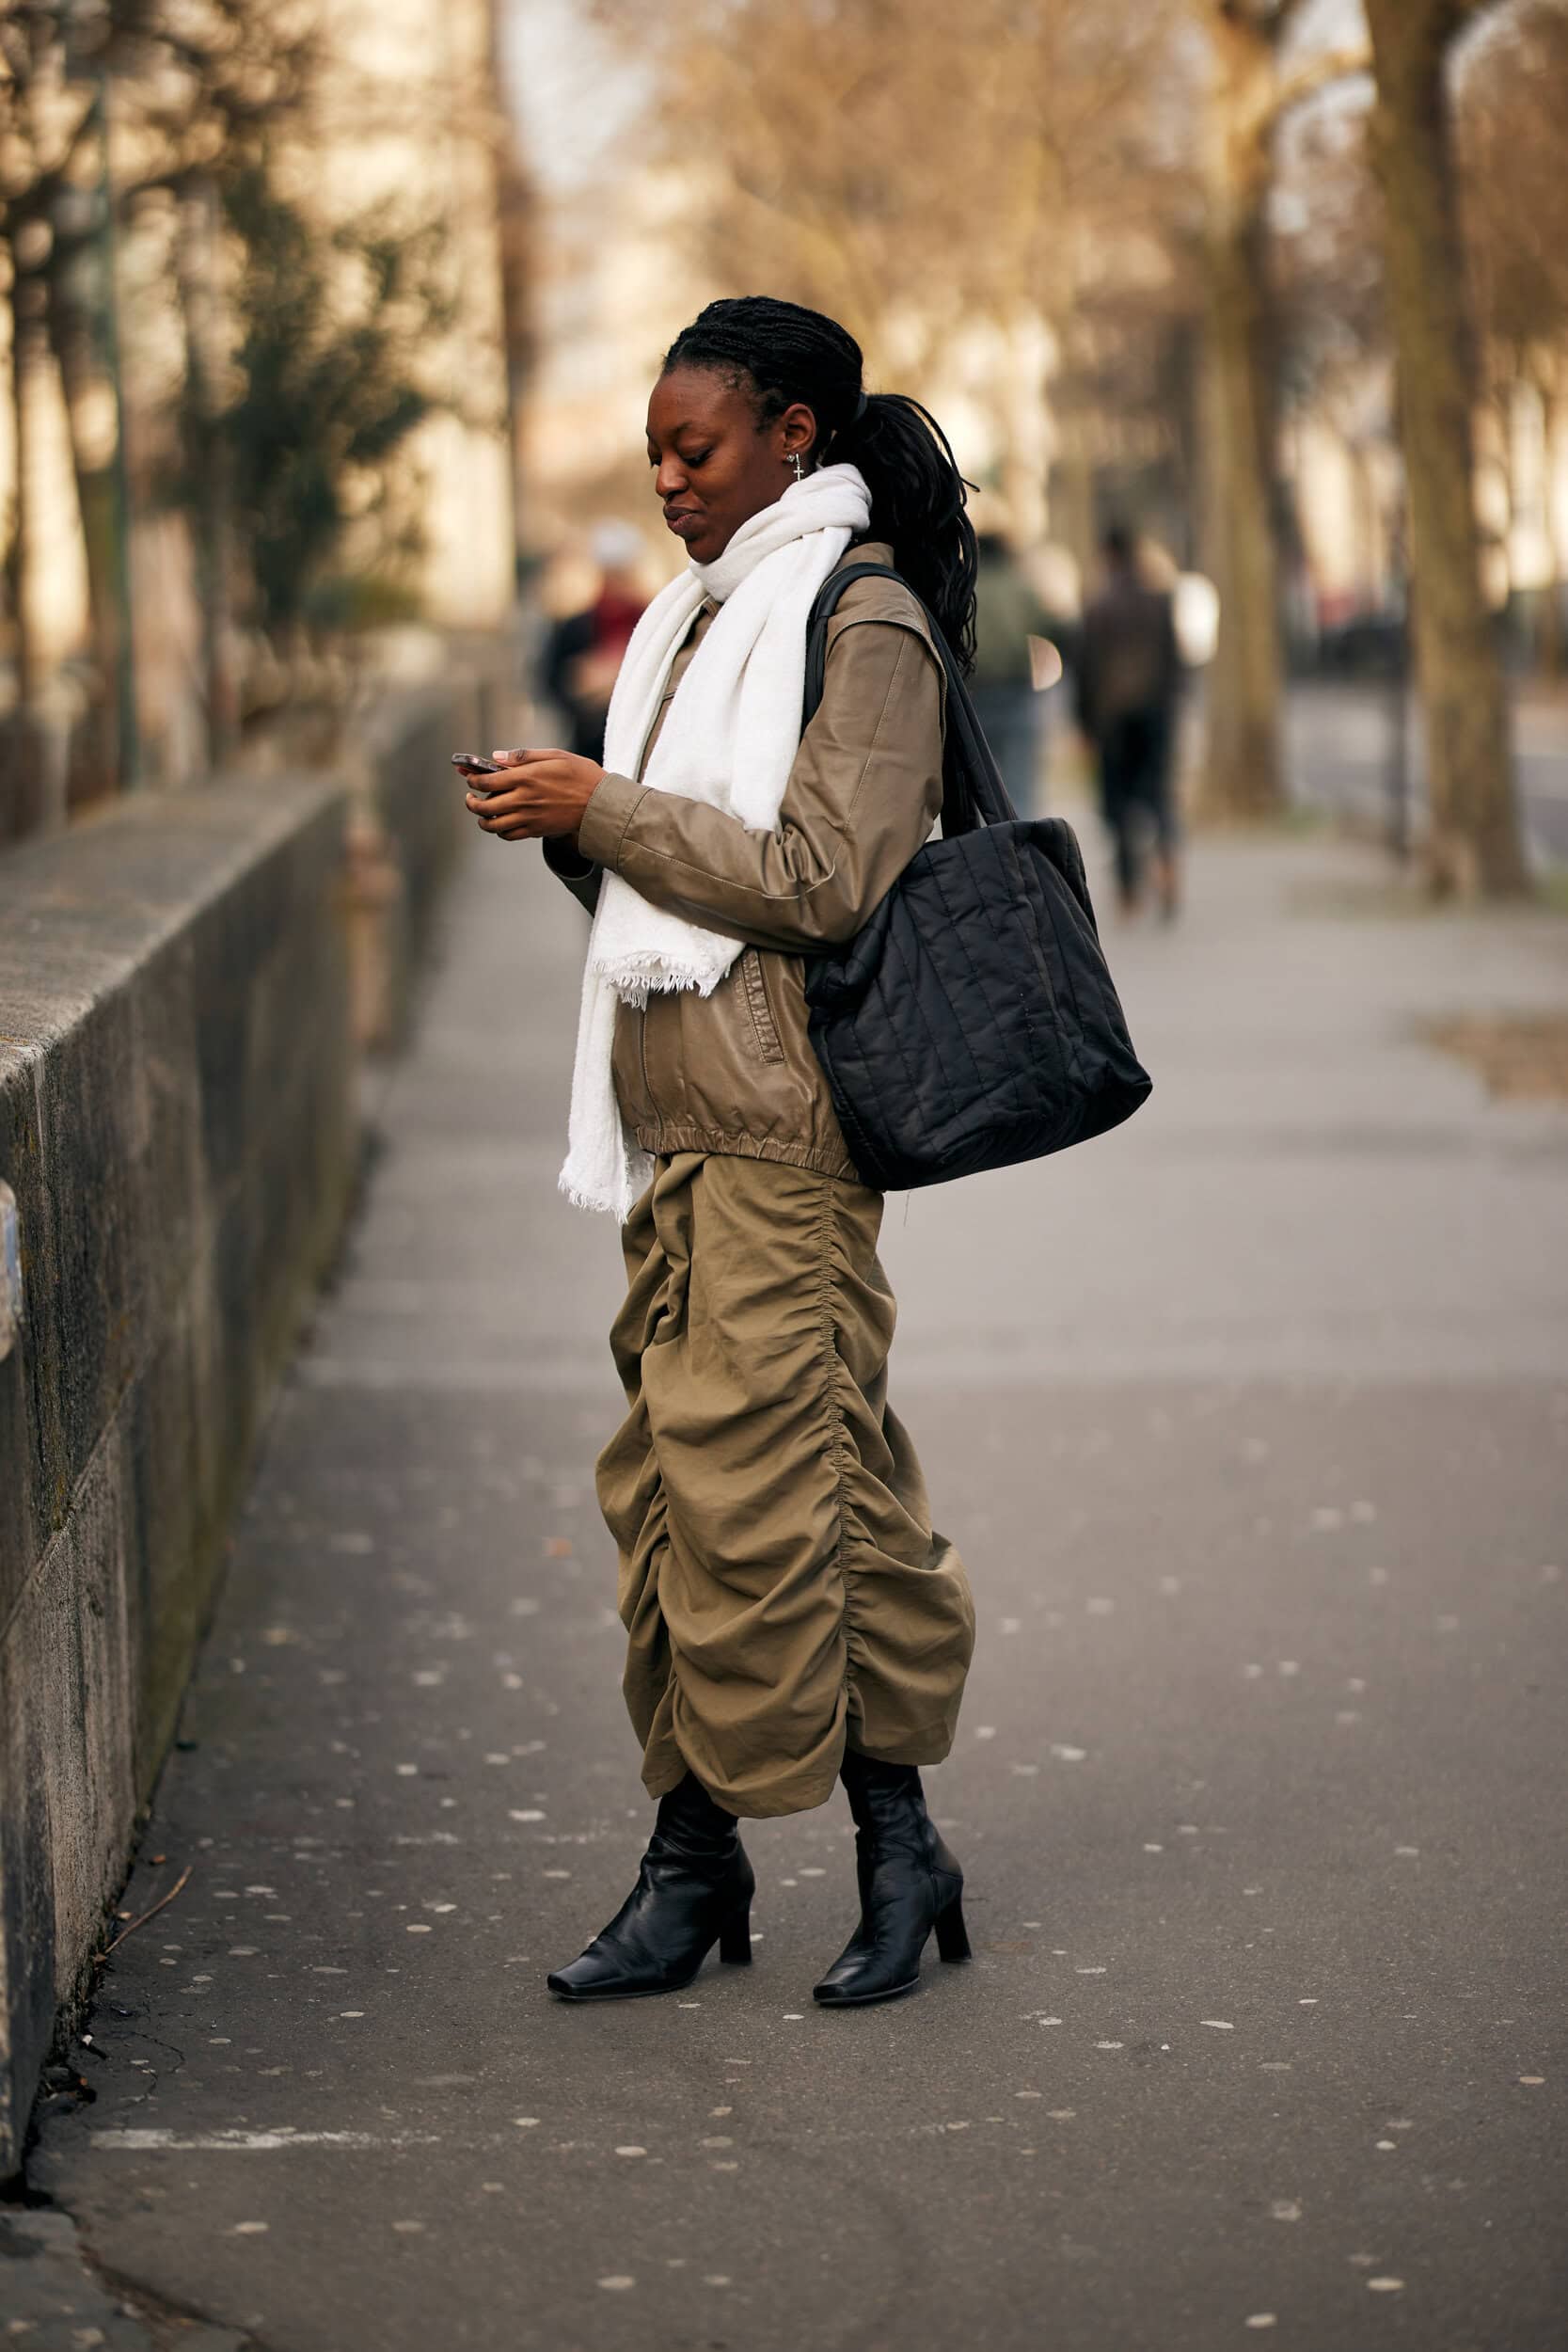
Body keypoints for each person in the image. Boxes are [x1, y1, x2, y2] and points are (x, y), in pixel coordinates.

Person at [458, 295, 977, 2009]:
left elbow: (823, 876)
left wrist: (598, 812)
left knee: (798, 1502)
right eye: (657, 454)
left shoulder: (862, 619)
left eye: (699, 449)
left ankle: (893, 1852)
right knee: (677, 1504)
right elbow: (681, 876)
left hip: (783, 1130)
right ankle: (695, 1875)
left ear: (794, 437)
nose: (670, 482)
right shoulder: (693, 623)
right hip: (675, 1125)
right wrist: (570, 826)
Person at [1074, 523, 1182, 918]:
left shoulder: (1098, 607)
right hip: (1155, 714)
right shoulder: (1160, 602)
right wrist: (1170, 712)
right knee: (1158, 797)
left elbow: (1085, 672)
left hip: (1113, 720)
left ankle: (1128, 891)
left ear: (1107, 556)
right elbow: (1175, 664)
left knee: (1117, 805)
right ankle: (1167, 864)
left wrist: (1083, 724)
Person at [540, 523, 649, 762]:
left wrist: (617, 678)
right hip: (591, 749)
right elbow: (549, 682)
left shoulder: (654, 619)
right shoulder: (575, 627)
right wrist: (580, 685)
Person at [969, 530, 1058, 814]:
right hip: (1015, 692)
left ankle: (985, 847)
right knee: (1019, 783)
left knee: (978, 783)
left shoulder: (966, 588)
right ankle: (1019, 850)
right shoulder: (1021, 588)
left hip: (973, 694)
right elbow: (1051, 626)